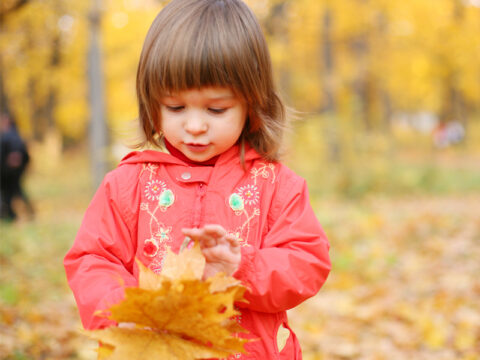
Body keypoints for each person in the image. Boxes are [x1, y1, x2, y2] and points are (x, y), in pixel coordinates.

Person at [64, 0, 331, 358]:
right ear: (152, 104)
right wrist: (125, 310)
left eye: (215, 109)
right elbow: (92, 258)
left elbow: (307, 262)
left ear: (252, 104)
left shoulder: (276, 185)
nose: (194, 126)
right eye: (176, 108)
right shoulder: (128, 184)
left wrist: (241, 266)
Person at [0, 112, 34, 221]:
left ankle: (11, 214)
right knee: (15, 191)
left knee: (10, 192)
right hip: (14, 171)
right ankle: (16, 214)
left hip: (7, 172)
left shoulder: (8, 136)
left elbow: (18, 156)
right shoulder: (17, 135)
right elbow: (26, 156)